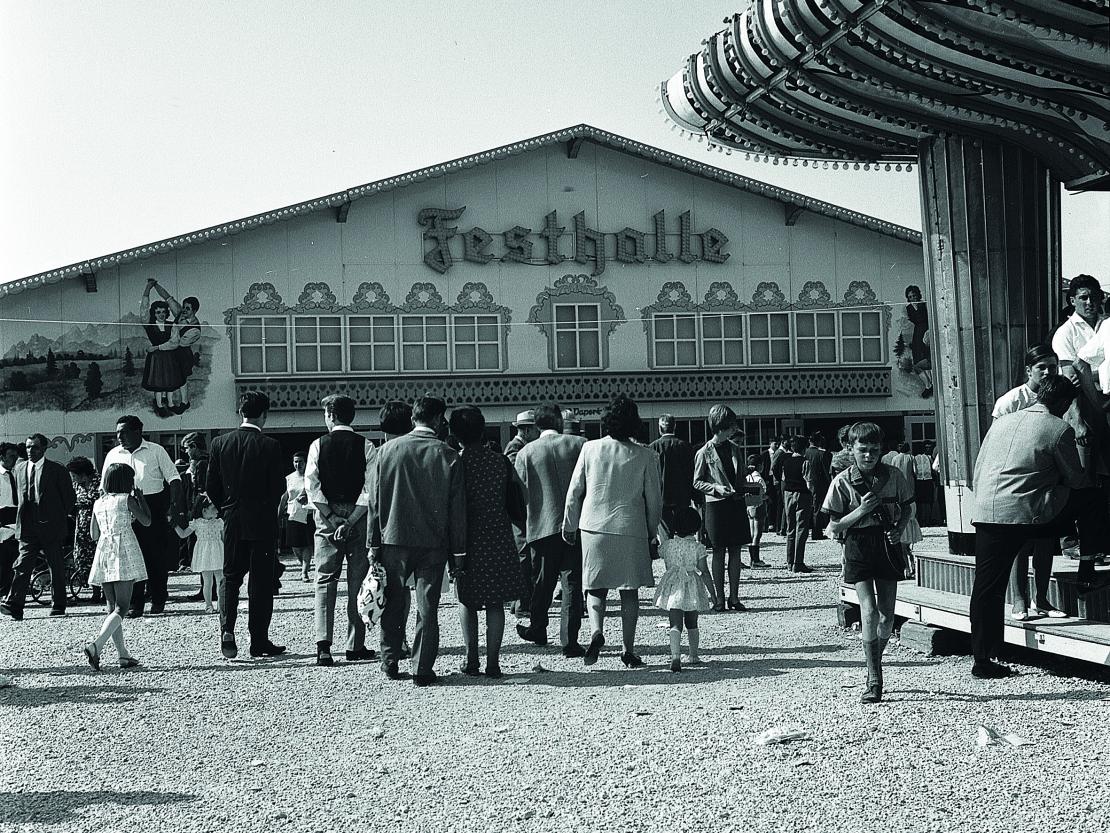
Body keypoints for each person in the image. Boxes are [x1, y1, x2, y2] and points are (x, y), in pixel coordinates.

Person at [969, 376, 1091, 678]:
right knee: (1088, 495)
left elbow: (978, 468)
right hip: (1025, 516)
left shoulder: (1002, 422)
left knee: (986, 587)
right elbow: (1076, 479)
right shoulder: (1059, 429)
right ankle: (1088, 557)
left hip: (986, 510)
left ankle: (983, 657)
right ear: (1064, 403)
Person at [367, 395, 466, 687]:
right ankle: (422, 667)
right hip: (433, 541)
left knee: (394, 601)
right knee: (428, 605)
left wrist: (372, 543)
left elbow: (374, 503)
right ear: (438, 419)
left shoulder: (386, 452)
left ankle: (390, 659)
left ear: (413, 419)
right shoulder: (448, 454)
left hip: (394, 538)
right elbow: (457, 509)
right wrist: (459, 552)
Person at [563, 394, 662, 668]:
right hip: (630, 527)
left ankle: (597, 630)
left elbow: (575, 491)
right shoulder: (646, 455)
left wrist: (569, 525)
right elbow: (654, 500)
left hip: (593, 527)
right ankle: (628, 649)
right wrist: (651, 531)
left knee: (595, 587)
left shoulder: (589, 448)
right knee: (629, 591)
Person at [823, 422, 913, 703]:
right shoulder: (842, 482)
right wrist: (861, 510)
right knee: (869, 611)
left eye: (874, 450)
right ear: (851, 448)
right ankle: (874, 678)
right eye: (862, 449)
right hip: (858, 545)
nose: (869, 455)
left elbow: (907, 507)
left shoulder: (894, 476)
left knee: (887, 617)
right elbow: (833, 526)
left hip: (887, 545)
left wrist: (900, 528)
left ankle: (874, 658)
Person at [206, 390, 287, 660]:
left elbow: (211, 486)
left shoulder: (220, 443)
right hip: (262, 520)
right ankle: (259, 640)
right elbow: (278, 487)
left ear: (240, 412)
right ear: (264, 415)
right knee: (261, 582)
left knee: (230, 577)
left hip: (232, 518)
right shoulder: (270, 445)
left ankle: (227, 629)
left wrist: (226, 508)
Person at [450, 406, 527, 678]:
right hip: (498, 535)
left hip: (466, 538)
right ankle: (493, 663)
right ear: (482, 430)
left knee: (466, 599)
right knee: (495, 602)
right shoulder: (500, 461)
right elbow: (519, 498)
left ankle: (471, 660)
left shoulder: (455, 463)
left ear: (455, 434)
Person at [991, 344, 1064, 619]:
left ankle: (1041, 599)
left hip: (1047, 477)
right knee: (1020, 543)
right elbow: (996, 441)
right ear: (1028, 371)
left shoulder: (1059, 396)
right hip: (1019, 479)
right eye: (1041, 367)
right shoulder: (1011, 401)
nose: (1047, 372)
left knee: (1046, 540)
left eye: (1052, 367)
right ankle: (1019, 599)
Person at [304, 394, 377, 667]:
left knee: (325, 579)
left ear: (331, 416)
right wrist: (352, 518)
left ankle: (323, 645)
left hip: (328, 516)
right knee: (358, 581)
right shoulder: (367, 445)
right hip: (359, 517)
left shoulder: (318, 444)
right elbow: (370, 488)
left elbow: (312, 485)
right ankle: (355, 644)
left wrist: (331, 516)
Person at [514, 403, 587, 656]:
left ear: (536, 425)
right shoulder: (579, 444)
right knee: (572, 583)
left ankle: (538, 627)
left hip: (541, 525)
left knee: (542, 582)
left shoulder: (526, 453)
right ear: (559, 422)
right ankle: (570, 640)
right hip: (575, 524)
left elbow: (519, 492)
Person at [1051, 274, 1110, 584]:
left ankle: (1101, 544)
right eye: (1083, 297)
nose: (1089, 302)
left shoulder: (1107, 325)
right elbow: (1069, 379)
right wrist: (1077, 421)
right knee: (1083, 483)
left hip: (1107, 407)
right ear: (1072, 300)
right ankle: (1074, 544)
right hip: (1084, 410)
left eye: (1094, 296)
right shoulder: (1065, 333)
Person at [101, 415, 184, 617]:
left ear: (137, 431)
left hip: (153, 505)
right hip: (123, 508)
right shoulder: (113, 454)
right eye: (117, 433)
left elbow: (174, 479)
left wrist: (173, 507)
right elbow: (104, 487)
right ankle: (134, 604)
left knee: (155, 556)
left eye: (124, 432)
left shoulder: (156, 451)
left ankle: (158, 599)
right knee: (130, 559)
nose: (119, 437)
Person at [83, 463, 151, 670]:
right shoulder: (126, 499)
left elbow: (93, 534)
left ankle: (123, 654)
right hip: (124, 551)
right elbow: (147, 521)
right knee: (122, 607)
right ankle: (97, 645)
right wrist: (141, 499)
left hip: (104, 552)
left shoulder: (99, 502)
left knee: (112, 608)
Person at [1, 434, 77, 620]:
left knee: (55, 566)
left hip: (51, 526)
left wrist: (56, 518)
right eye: (28, 447)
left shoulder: (57, 470)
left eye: (34, 447)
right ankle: (14, 604)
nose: (30, 451)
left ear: (44, 448)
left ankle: (58, 604)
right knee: (22, 564)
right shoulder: (20, 469)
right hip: (28, 526)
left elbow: (69, 498)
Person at [694, 405, 760, 609]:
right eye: (731, 425)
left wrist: (748, 487)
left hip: (735, 503)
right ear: (721, 426)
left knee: (736, 550)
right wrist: (715, 488)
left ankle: (734, 597)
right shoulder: (703, 452)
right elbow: (697, 482)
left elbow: (739, 476)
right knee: (718, 552)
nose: (734, 429)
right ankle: (719, 599)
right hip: (716, 507)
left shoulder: (734, 448)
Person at [654, 506, 714, 673]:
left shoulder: (668, 546)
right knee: (692, 623)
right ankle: (693, 655)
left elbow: (657, 553)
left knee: (675, 624)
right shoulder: (698, 548)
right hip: (692, 587)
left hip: (673, 588)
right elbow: (704, 572)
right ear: (696, 527)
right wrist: (713, 594)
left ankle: (675, 656)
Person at [378, 400, 415, 661]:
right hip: (416, 530)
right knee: (408, 591)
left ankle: (391, 644)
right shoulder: (418, 450)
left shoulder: (380, 454)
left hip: (387, 532)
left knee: (390, 590)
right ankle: (403, 640)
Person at [504, 409, 538, 619]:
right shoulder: (515, 448)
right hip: (519, 509)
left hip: (519, 508)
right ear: (526, 430)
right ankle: (522, 603)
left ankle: (518, 602)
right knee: (524, 555)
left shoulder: (519, 447)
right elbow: (517, 479)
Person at [649, 414, 695, 538]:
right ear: (674, 427)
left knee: (665, 533)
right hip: (682, 496)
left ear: (660, 428)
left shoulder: (653, 448)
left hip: (662, 496)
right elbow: (691, 472)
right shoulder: (685, 446)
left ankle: (668, 550)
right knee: (683, 532)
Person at [775, 434, 814, 573]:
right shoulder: (805, 462)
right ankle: (798, 562)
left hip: (788, 494)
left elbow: (783, 478)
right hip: (802, 494)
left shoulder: (786, 461)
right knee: (801, 528)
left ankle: (789, 561)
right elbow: (809, 482)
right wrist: (812, 495)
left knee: (790, 528)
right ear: (804, 448)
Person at [882, 441, 921, 577]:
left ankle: (906, 568)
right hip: (910, 490)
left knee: (902, 546)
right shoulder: (911, 458)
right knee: (907, 546)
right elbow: (916, 472)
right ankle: (911, 566)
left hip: (897, 491)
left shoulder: (894, 459)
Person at [66, 456, 102, 604]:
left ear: (83, 474)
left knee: (100, 558)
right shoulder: (77, 486)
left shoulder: (100, 483)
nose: (73, 479)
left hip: (99, 525)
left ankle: (106, 592)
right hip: (82, 527)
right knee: (85, 559)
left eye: (74, 475)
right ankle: (95, 591)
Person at [181, 494, 223, 613]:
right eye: (213, 508)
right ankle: (208, 605)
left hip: (218, 552)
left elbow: (224, 538)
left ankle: (221, 605)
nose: (217, 510)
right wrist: (174, 524)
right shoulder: (197, 523)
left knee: (220, 580)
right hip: (204, 553)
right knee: (207, 581)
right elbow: (183, 534)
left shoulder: (219, 522)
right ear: (204, 510)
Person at [279, 451, 314, 581]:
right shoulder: (289, 478)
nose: (298, 464)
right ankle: (304, 563)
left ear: (305, 463)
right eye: (295, 461)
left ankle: (304, 571)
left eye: (300, 462)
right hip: (293, 514)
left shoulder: (311, 476)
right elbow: (284, 497)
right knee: (295, 545)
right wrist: (279, 513)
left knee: (307, 544)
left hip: (307, 514)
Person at [0, 443, 21, 601]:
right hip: (2, 520)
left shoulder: (18, 473)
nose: (14, 459)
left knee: (14, 558)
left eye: (16, 456)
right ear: (2, 457)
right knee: (3, 559)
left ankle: (10, 593)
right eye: (11, 456)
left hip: (17, 519)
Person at [905, 284, 933, 398]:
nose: (913, 298)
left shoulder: (923, 304)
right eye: (910, 297)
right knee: (918, 358)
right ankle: (928, 384)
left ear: (917, 295)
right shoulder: (909, 308)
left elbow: (925, 318)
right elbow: (915, 319)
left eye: (914, 295)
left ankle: (930, 385)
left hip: (925, 330)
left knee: (925, 355)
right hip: (918, 333)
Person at [804, 431, 832, 540]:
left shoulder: (804, 452)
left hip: (805, 483)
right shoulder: (821, 454)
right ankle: (817, 532)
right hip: (819, 484)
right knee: (817, 508)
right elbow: (826, 471)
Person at [744, 454, 768, 566]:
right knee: (757, 534)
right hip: (759, 505)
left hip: (749, 506)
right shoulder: (759, 479)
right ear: (759, 466)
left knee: (751, 532)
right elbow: (763, 493)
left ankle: (752, 558)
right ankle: (756, 559)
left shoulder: (747, 478)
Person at [913, 442, 936, 528]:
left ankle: (923, 520)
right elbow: (933, 469)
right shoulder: (928, 457)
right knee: (927, 501)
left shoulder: (915, 458)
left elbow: (914, 470)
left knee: (922, 501)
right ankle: (927, 519)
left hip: (920, 480)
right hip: (927, 480)